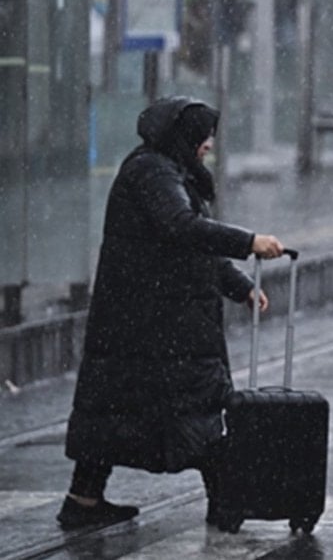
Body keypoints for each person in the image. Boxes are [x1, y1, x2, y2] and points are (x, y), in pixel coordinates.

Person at [58, 97, 286, 530]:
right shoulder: (153, 172)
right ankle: (227, 502)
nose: (209, 145)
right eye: (203, 136)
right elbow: (182, 229)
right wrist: (248, 241)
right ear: (183, 136)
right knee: (195, 409)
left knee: (116, 411)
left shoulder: (166, 170)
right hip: (158, 323)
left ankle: (83, 500)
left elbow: (190, 246)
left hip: (144, 320)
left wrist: (239, 285)